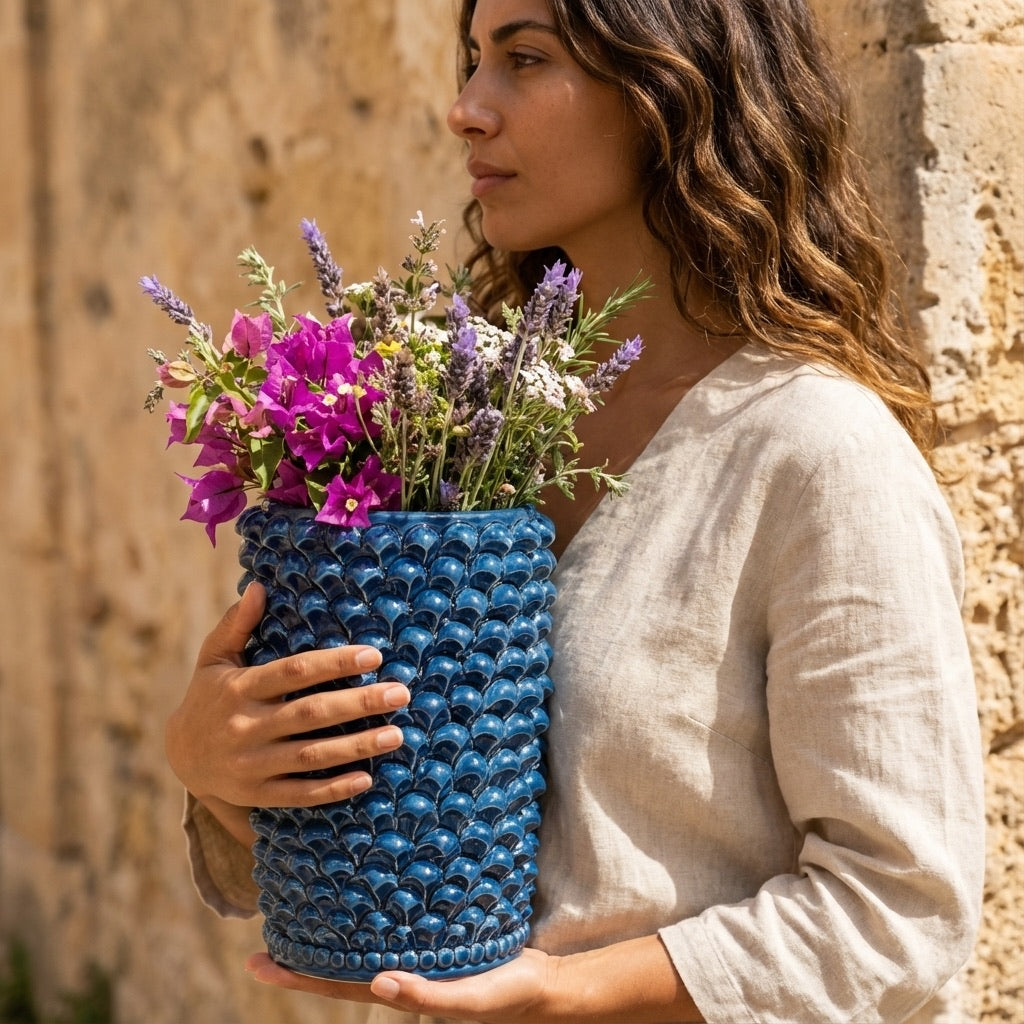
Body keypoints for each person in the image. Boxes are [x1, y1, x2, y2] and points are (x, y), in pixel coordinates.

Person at [164, 0, 987, 1020]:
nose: (467, 110)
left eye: (523, 59)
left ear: (668, 89)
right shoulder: (446, 433)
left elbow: (902, 908)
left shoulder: (816, 452)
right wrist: (222, 772)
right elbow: (390, 815)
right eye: (474, 61)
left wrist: (570, 989)